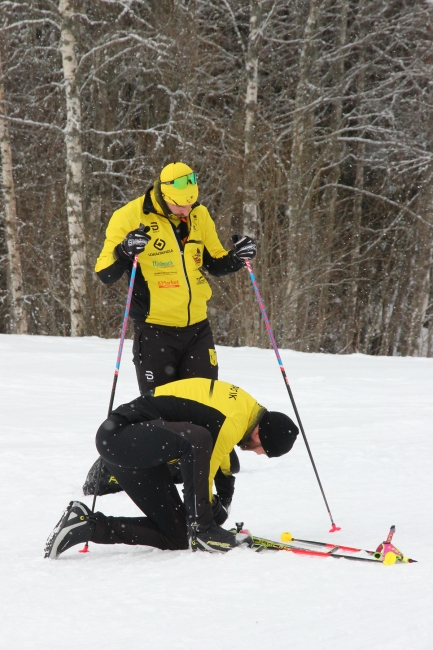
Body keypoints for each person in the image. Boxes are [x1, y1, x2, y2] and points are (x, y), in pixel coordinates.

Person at [45, 378, 299, 558]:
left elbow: (221, 456)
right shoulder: (234, 419)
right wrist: (207, 521)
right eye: (262, 449)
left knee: (176, 535)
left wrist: (223, 498)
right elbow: (208, 461)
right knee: (197, 440)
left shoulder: (243, 412)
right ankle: (203, 531)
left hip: (136, 450)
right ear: (258, 433)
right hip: (121, 437)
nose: (256, 452)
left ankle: (85, 525)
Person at [95, 161, 257, 394]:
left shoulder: (198, 214)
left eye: (191, 202)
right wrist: (124, 251)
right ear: (163, 193)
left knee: (204, 405)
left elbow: (215, 262)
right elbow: (105, 273)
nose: (187, 210)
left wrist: (238, 258)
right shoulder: (130, 216)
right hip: (155, 331)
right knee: (161, 410)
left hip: (198, 331)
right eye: (180, 205)